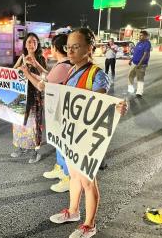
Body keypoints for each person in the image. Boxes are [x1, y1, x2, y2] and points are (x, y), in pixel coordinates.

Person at [48, 28, 127, 238]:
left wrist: (115, 108)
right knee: (74, 175)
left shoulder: (96, 74)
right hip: (71, 134)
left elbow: (100, 104)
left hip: (87, 138)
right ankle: (73, 212)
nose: (71, 51)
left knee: (88, 181)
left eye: (76, 46)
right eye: (68, 47)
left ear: (89, 48)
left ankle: (89, 224)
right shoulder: (71, 70)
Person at [20, 34, 72, 190]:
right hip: (59, 107)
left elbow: (42, 85)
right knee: (58, 140)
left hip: (61, 108)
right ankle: (60, 168)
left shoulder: (63, 66)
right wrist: (34, 66)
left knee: (62, 142)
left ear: (56, 48)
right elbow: (48, 76)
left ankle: (67, 176)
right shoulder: (62, 64)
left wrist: (28, 73)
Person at [11, 32, 46, 164]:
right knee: (19, 122)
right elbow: (12, 73)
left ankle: (35, 151)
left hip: (34, 96)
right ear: (25, 44)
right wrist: (18, 67)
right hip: (20, 96)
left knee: (34, 124)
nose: (32, 44)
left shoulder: (40, 59)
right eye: (29, 42)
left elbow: (45, 76)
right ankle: (21, 147)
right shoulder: (21, 58)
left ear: (38, 44)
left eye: (34, 42)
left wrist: (34, 65)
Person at [128, 30, 151, 98]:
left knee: (140, 79)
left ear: (145, 36)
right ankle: (131, 89)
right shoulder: (138, 43)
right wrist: (131, 60)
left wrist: (139, 64)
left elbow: (145, 55)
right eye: (139, 35)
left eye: (141, 35)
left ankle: (139, 92)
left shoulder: (147, 44)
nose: (139, 37)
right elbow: (135, 53)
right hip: (134, 63)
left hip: (141, 65)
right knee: (130, 76)